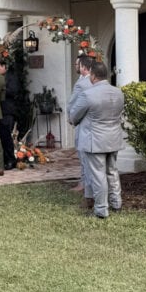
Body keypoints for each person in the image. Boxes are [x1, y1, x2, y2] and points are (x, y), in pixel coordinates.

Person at [67, 62, 125, 219]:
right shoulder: (119, 92)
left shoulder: (88, 94)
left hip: (95, 140)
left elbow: (73, 116)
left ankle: (101, 209)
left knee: (98, 174)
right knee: (112, 171)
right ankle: (116, 203)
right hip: (113, 138)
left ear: (92, 75)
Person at [67, 55, 95, 196]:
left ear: (83, 67)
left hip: (82, 121)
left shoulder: (82, 83)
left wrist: (71, 117)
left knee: (82, 152)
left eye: (77, 64)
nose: (76, 66)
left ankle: (84, 183)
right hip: (93, 123)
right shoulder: (94, 81)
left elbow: (74, 102)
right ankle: (84, 182)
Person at [0, 60, 19, 170]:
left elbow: (13, 91)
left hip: (7, 111)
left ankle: (11, 160)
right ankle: (2, 160)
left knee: (7, 137)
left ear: (4, 67)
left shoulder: (11, 77)